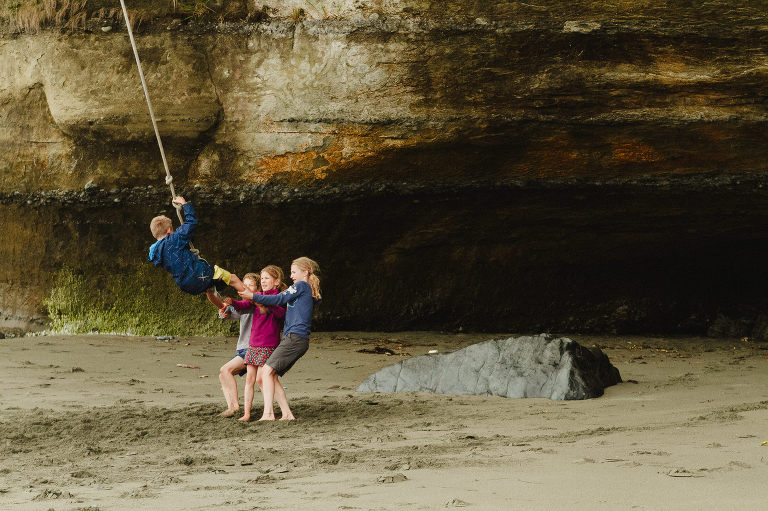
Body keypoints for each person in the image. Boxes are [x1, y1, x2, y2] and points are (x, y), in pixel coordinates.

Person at [238, 257, 321, 421]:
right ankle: (287, 414)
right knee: (271, 374)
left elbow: (278, 299)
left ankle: (268, 414)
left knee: (267, 371)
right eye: (290, 272)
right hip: (294, 339)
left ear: (305, 272)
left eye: (294, 272)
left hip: (295, 338)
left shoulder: (301, 285)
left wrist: (253, 296)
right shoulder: (304, 289)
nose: (291, 276)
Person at [148, 196, 245, 309]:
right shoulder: (173, 240)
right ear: (169, 230)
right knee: (232, 278)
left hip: (186, 285)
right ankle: (251, 298)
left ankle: (222, 308)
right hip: (200, 273)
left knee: (209, 290)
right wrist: (185, 204)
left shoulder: (155, 254)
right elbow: (191, 222)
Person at [228, 265, 288, 422]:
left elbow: (280, 313)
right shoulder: (258, 296)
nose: (264, 280)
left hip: (268, 345)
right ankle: (247, 413)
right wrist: (233, 302)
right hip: (253, 344)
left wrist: (263, 302)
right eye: (262, 278)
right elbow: (244, 304)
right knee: (250, 380)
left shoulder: (279, 297)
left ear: (277, 281)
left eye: (267, 277)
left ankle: (274, 411)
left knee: (264, 379)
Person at [217, 272, 260, 418]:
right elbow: (231, 312)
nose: (245, 288)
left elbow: (241, 306)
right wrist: (225, 311)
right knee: (223, 375)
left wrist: (231, 305)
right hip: (243, 348)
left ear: (257, 289)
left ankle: (234, 407)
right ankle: (232, 406)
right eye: (244, 285)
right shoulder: (243, 306)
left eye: (250, 285)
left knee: (225, 370)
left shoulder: (256, 303)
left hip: (252, 348)